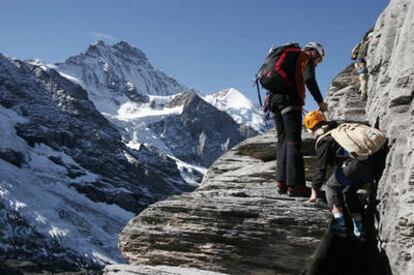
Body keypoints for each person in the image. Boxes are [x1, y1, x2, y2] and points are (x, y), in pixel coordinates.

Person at [304, 111, 387, 238]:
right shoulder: (338, 130)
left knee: (331, 186)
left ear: (311, 129)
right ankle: (359, 231)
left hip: (357, 165)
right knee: (348, 191)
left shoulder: (324, 140)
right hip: (374, 165)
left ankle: (340, 225)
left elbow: (321, 168)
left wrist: (314, 190)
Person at [266, 42, 328, 197]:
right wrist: (320, 101)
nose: (317, 64)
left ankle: (281, 183)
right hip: (289, 100)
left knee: (283, 140)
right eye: (319, 60)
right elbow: (309, 79)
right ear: (314, 52)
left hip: (273, 100)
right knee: (293, 141)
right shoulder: (304, 57)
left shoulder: (288, 56)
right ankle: (295, 185)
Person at [352, 29, 374, 100]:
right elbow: (366, 55)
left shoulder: (362, 44)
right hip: (361, 63)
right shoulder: (367, 44)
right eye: (372, 37)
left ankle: (361, 90)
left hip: (357, 63)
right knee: (364, 78)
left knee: (362, 78)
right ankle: (363, 95)